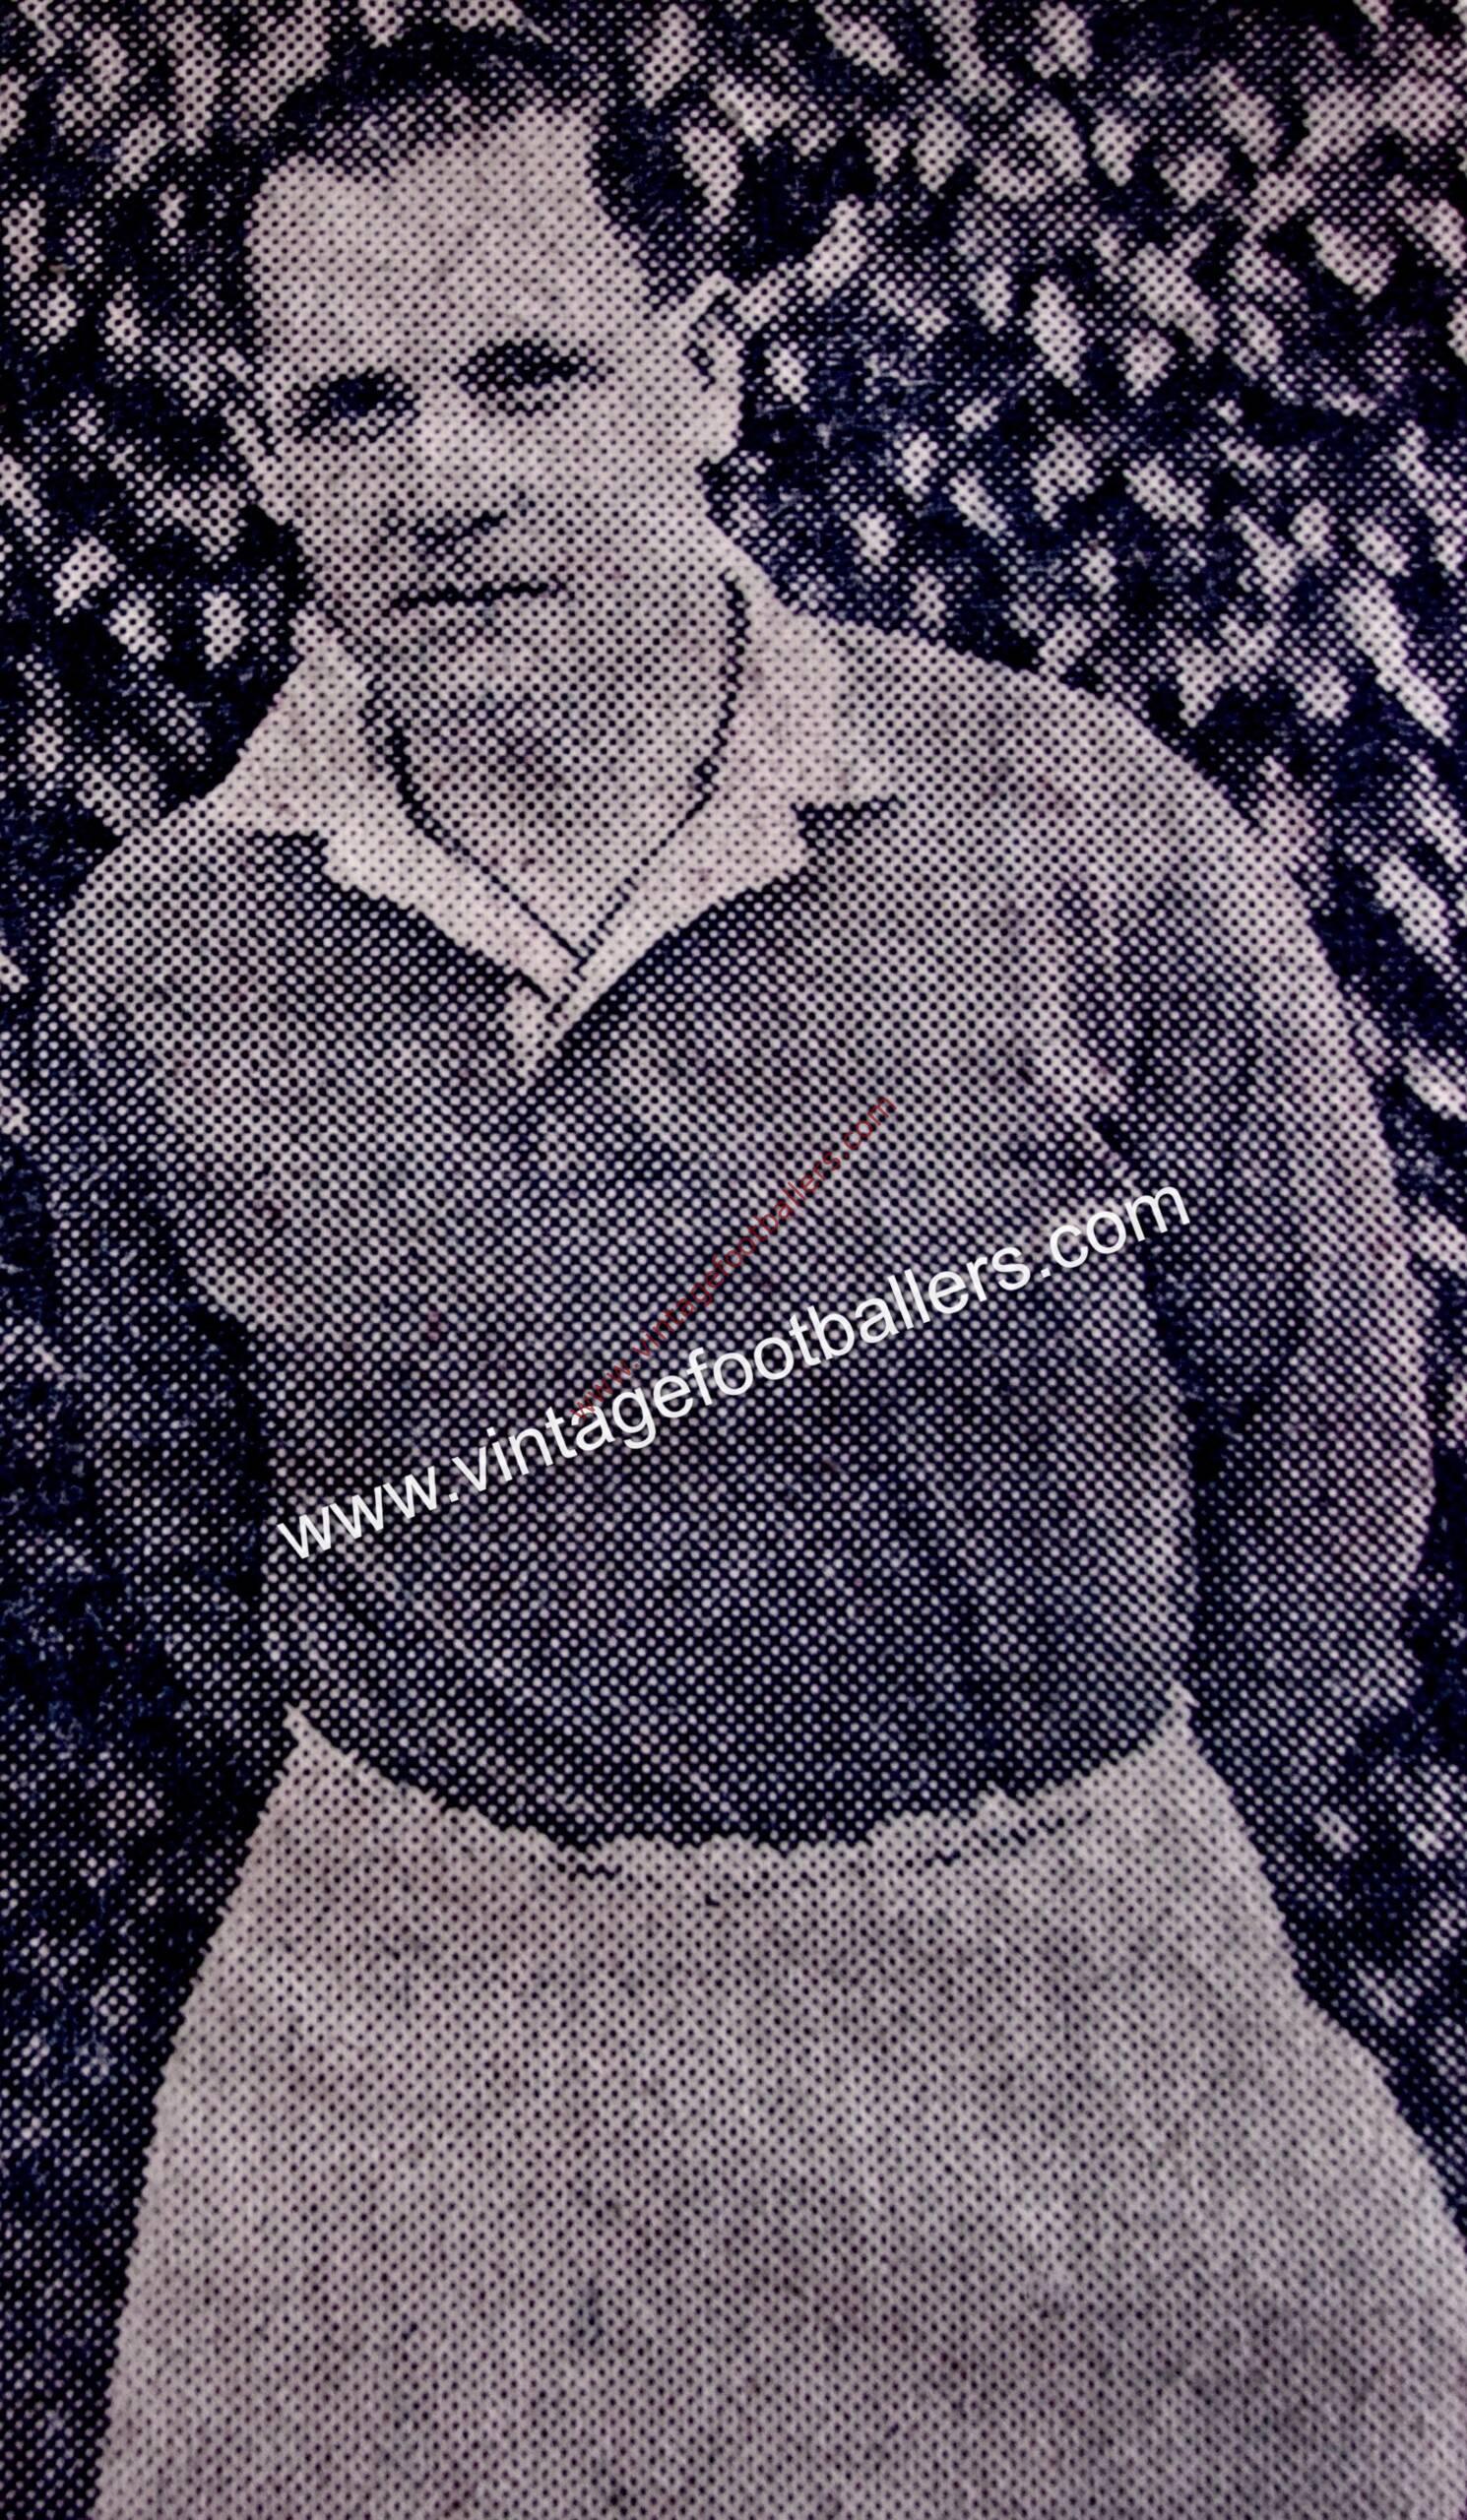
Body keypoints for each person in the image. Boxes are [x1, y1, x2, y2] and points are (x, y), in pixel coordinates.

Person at [33, 23, 1467, 2518]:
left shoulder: (1085, 843)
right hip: (416, 2073)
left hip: (1052, 2036)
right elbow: (190, 1528)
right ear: (259, 455)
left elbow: (1328, 1451)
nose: (442, 481)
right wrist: (499, 1884)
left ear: (699, 376)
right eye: (352, 406)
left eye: (528, 374)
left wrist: (1055, 1889)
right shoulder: (158, 965)